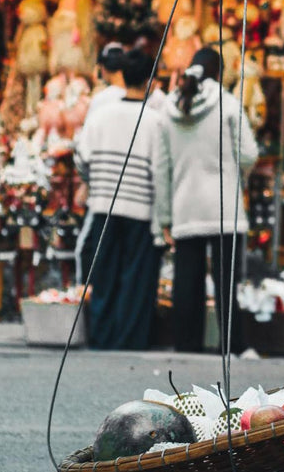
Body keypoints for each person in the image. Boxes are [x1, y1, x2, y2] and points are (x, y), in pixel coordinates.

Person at [153, 47, 258, 354]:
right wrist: (239, 176)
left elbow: (162, 168)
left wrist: (164, 218)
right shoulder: (227, 103)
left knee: (186, 281)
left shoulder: (168, 110)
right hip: (224, 205)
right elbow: (249, 153)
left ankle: (186, 344)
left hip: (185, 205)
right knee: (226, 282)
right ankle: (233, 345)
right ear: (218, 71)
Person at [73, 47, 163, 350]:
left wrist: (96, 181)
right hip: (141, 210)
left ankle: (102, 336)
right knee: (135, 279)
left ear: (122, 75)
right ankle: (130, 339)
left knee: (105, 274)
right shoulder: (155, 121)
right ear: (151, 80)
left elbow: (81, 158)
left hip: (104, 207)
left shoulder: (101, 116)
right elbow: (161, 171)